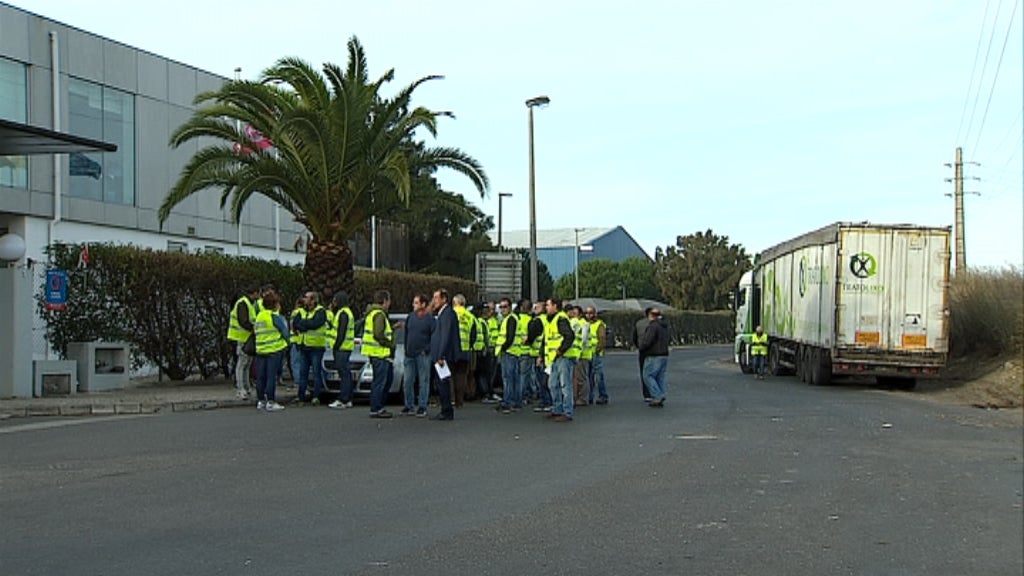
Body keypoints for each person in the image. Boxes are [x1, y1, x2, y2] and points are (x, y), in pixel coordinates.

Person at [253, 290, 288, 412]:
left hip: (261, 349)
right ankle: (271, 401)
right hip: (274, 349)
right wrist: (286, 343)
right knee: (271, 377)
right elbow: (285, 332)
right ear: (274, 304)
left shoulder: (259, 316)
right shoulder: (274, 316)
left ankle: (261, 400)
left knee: (260, 377)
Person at [362, 289, 395, 419]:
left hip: (375, 352)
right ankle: (377, 408)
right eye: (389, 301)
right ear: (385, 301)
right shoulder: (380, 314)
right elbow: (378, 334)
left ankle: (377, 407)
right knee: (380, 382)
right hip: (380, 353)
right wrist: (389, 344)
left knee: (381, 381)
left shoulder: (371, 313)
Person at [543, 298, 578, 422]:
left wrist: (560, 350)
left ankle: (567, 412)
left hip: (563, 357)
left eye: (548, 305)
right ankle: (557, 409)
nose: (546, 307)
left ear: (555, 306)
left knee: (565, 385)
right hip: (554, 358)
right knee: (553, 384)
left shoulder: (561, 319)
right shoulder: (552, 320)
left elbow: (569, 336)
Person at [292, 291, 328, 404]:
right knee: (303, 374)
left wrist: (304, 324)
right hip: (304, 346)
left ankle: (316, 397)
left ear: (313, 300)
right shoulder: (302, 311)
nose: (304, 299)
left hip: (316, 347)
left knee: (317, 373)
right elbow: (295, 324)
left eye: (306, 297)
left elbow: (316, 323)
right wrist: (306, 324)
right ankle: (301, 397)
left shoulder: (321, 311)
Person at [402, 293, 435, 417]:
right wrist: (406, 349)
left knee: (423, 381)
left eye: (416, 303)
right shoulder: (410, 317)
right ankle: (409, 405)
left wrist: (427, 349)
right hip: (410, 354)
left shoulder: (430, 320)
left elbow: (434, 336)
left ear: (423, 304)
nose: (413, 305)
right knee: (408, 381)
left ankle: (422, 406)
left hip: (423, 354)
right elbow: (407, 333)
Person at [430, 288, 459, 421]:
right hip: (441, 355)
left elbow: (445, 336)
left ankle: (446, 411)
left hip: (444, 356)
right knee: (441, 382)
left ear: (444, 299)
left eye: (436, 298)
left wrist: (441, 355)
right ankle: (445, 409)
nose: (434, 301)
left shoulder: (447, 314)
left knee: (443, 383)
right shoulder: (442, 313)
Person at [227, 285, 259, 401]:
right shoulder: (244, 303)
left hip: (245, 337)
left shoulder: (247, 303)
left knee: (246, 364)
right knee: (242, 364)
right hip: (242, 337)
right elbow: (243, 321)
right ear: (254, 293)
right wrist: (254, 328)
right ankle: (241, 389)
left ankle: (246, 388)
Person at [327, 291, 356, 410]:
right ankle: (347, 398)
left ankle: (343, 399)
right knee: (346, 374)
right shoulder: (345, 312)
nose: (334, 302)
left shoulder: (343, 313)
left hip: (342, 348)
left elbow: (341, 332)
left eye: (335, 300)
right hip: (345, 347)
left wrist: (336, 346)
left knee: (344, 374)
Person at [495, 297, 522, 414]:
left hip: (509, 352)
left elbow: (509, 337)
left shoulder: (511, 319)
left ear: (510, 307)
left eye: (505, 306)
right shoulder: (510, 319)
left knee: (508, 379)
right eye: (501, 307)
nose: (502, 309)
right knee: (514, 379)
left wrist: (502, 348)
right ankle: (516, 402)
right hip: (513, 352)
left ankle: (508, 403)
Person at [639, 308, 670, 407]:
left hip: (653, 354)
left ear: (650, 315)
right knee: (659, 377)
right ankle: (661, 394)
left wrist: (641, 348)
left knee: (647, 376)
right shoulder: (664, 326)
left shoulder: (653, 326)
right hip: (664, 354)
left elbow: (647, 341)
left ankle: (657, 395)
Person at [527, 301, 551, 412]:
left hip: (538, 353)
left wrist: (526, 340)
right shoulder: (547, 319)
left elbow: (532, 335)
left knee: (541, 379)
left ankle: (545, 401)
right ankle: (548, 401)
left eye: (536, 307)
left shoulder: (538, 321)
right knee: (545, 379)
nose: (534, 309)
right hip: (545, 352)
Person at [451, 294, 475, 407]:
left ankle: (451, 399)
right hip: (465, 349)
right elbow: (473, 334)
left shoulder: (452, 314)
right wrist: (469, 345)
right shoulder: (470, 316)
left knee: (451, 375)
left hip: (452, 349)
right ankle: (459, 401)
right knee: (461, 376)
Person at [473, 302, 498, 404]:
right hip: (482, 351)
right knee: (484, 374)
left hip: (482, 350)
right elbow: (485, 337)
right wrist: (486, 348)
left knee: (484, 374)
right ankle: (485, 394)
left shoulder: (482, 321)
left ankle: (486, 393)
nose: (489, 312)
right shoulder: (481, 322)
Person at [585, 306, 609, 405]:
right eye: (587, 313)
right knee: (589, 376)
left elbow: (602, 339)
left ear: (595, 314)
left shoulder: (600, 324)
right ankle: (590, 396)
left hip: (596, 353)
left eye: (590, 313)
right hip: (588, 353)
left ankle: (603, 396)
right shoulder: (586, 324)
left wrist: (597, 350)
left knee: (598, 376)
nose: (588, 315)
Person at [568, 305, 591, 406]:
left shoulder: (584, 324)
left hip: (582, 354)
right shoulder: (573, 322)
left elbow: (584, 340)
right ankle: (576, 397)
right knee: (575, 378)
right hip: (575, 353)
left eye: (576, 313)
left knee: (581, 377)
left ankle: (583, 398)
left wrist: (580, 351)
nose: (574, 314)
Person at [630, 308, 653, 401]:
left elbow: (634, 336)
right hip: (654, 351)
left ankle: (646, 394)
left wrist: (638, 346)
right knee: (654, 372)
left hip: (642, 350)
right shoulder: (656, 323)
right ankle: (655, 392)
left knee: (643, 372)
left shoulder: (639, 323)